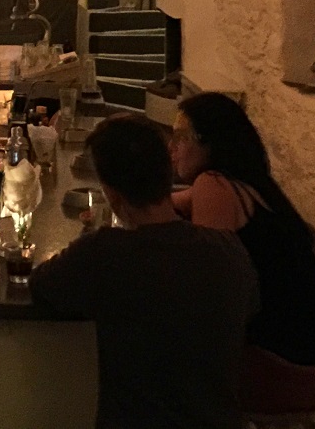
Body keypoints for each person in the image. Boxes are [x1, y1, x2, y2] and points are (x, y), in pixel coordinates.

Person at [30, 115, 259, 429]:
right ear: (167, 175)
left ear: (111, 192)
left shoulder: (103, 253)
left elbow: (41, 285)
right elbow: (250, 306)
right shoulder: (229, 250)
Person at [170, 92, 315, 415]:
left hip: (285, 367)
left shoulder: (214, 184)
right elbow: (173, 203)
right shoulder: (250, 182)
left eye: (181, 137)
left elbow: (209, 296)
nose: (172, 148)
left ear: (209, 143)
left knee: (163, 361)